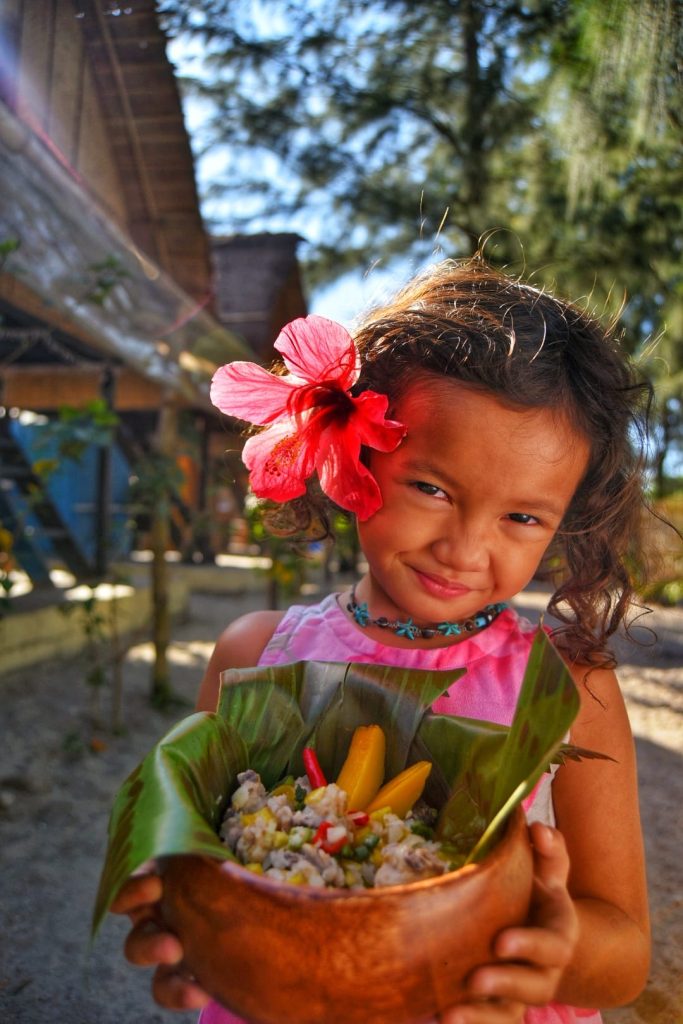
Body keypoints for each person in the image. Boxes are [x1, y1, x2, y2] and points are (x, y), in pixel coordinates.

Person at [113, 256, 653, 1024]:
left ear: (565, 522)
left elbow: (626, 957)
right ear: (351, 456)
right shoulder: (253, 655)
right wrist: (196, 930)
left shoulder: (567, 686)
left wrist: (546, 949)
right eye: (431, 488)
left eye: (522, 517)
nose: (465, 548)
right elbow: (200, 864)